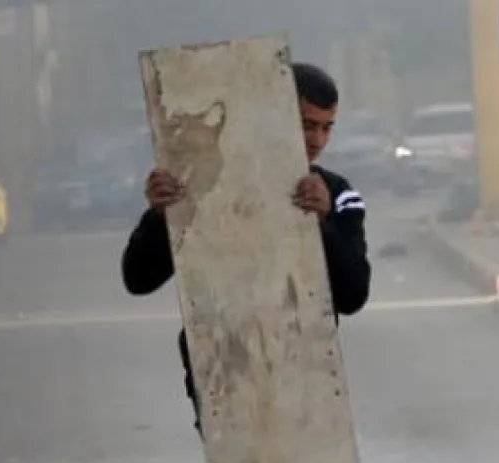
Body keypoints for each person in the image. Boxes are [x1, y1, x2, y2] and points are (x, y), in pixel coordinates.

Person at [121, 62, 371, 434]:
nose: (317, 140)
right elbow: (138, 278)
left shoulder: (336, 194)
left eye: (326, 127)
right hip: (224, 373)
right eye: (306, 124)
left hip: (304, 373)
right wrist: (161, 215)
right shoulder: (209, 186)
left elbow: (353, 296)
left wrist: (323, 222)